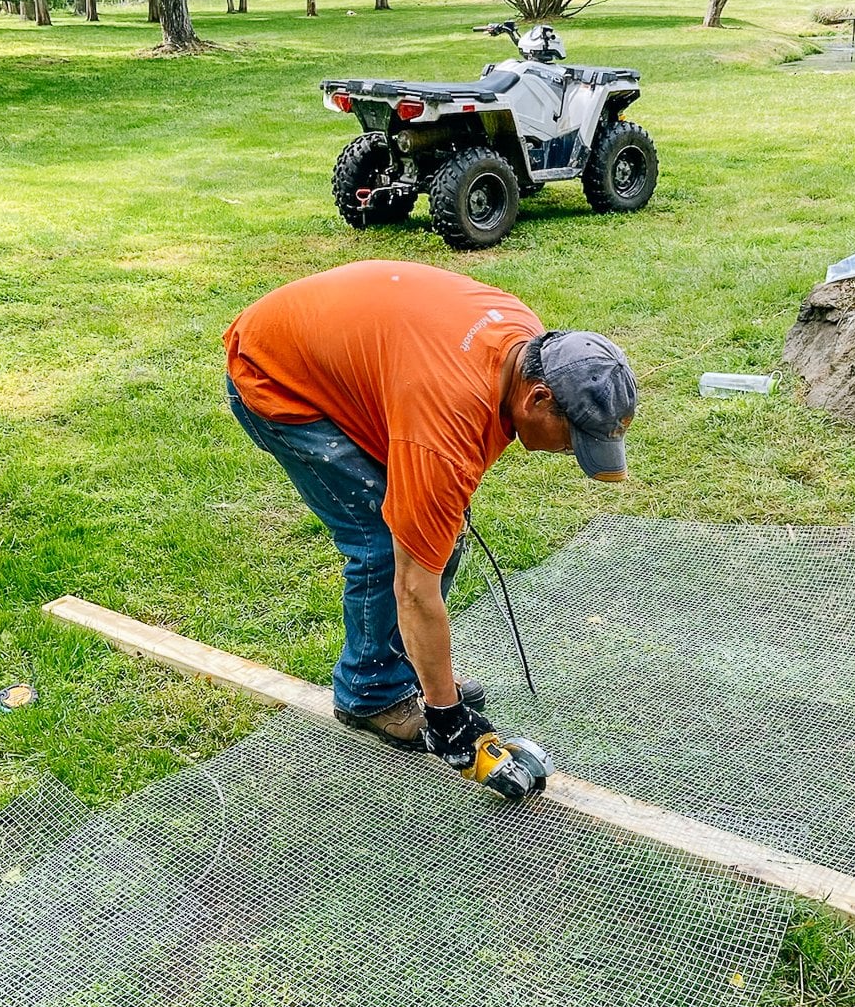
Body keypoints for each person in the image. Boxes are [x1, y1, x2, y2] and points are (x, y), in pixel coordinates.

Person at [223, 260, 636, 777]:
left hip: (348, 350)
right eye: (573, 440)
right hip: (275, 371)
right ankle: (371, 694)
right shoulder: (446, 426)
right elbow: (414, 587)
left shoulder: (525, 344)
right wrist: (447, 717)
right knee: (382, 542)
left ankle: (406, 669)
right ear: (538, 398)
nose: (569, 453)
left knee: (436, 532)